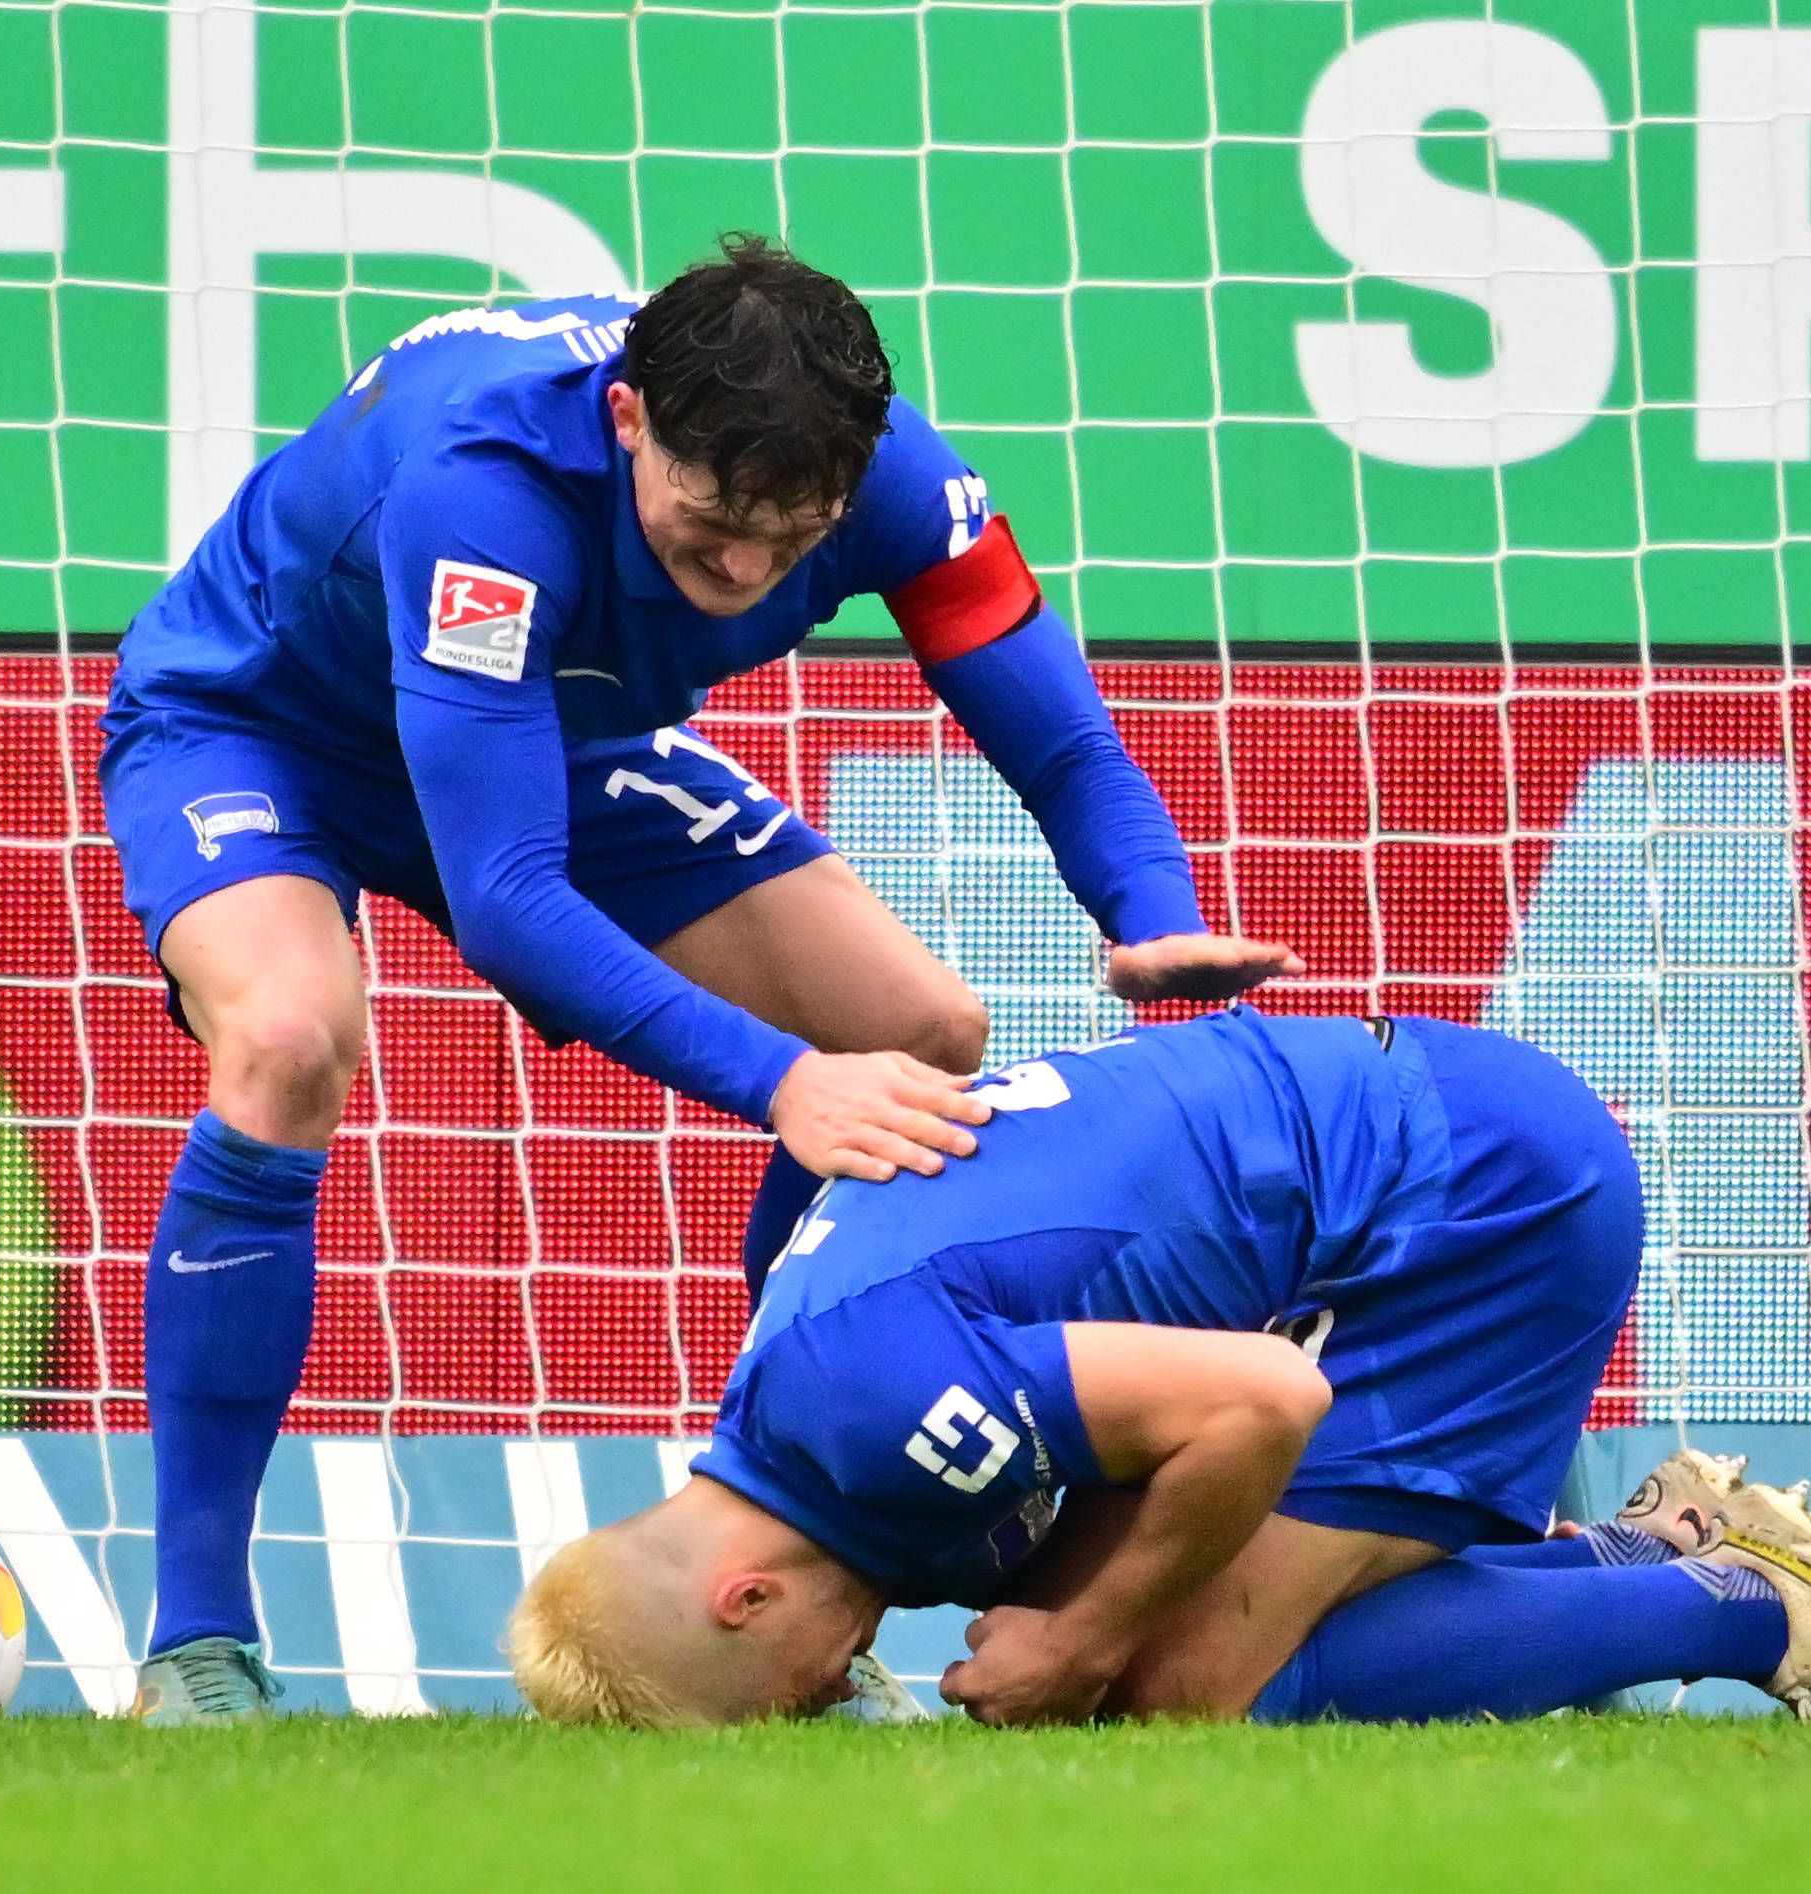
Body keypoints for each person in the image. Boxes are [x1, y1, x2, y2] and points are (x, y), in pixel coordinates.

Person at [104, 236, 1292, 1723]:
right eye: (708, 528)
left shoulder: (902, 486)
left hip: (550, 723)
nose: (741, 577)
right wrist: (783, 1083)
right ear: (625, 421)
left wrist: (1148, 908)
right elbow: (508, 896)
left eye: (788, 548)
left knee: (919, 1033)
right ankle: (196, 1641)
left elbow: (1058, 739)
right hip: (262, 725)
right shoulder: (487, 490)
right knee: (287, 1034)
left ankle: (789, 1572)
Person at [507, 1011, 1811, 1727]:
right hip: (1413, 1155)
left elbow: (1264, 1401)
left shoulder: (879, 1417)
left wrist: (1085, 1637)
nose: (839, 1689)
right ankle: (1657, 1540)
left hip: (1479, 1199)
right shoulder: (787, 1404)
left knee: (1166, 1679)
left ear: (744, 1595)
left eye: (796, 1692)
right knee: (1097, 1617)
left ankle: (1741, 1604)